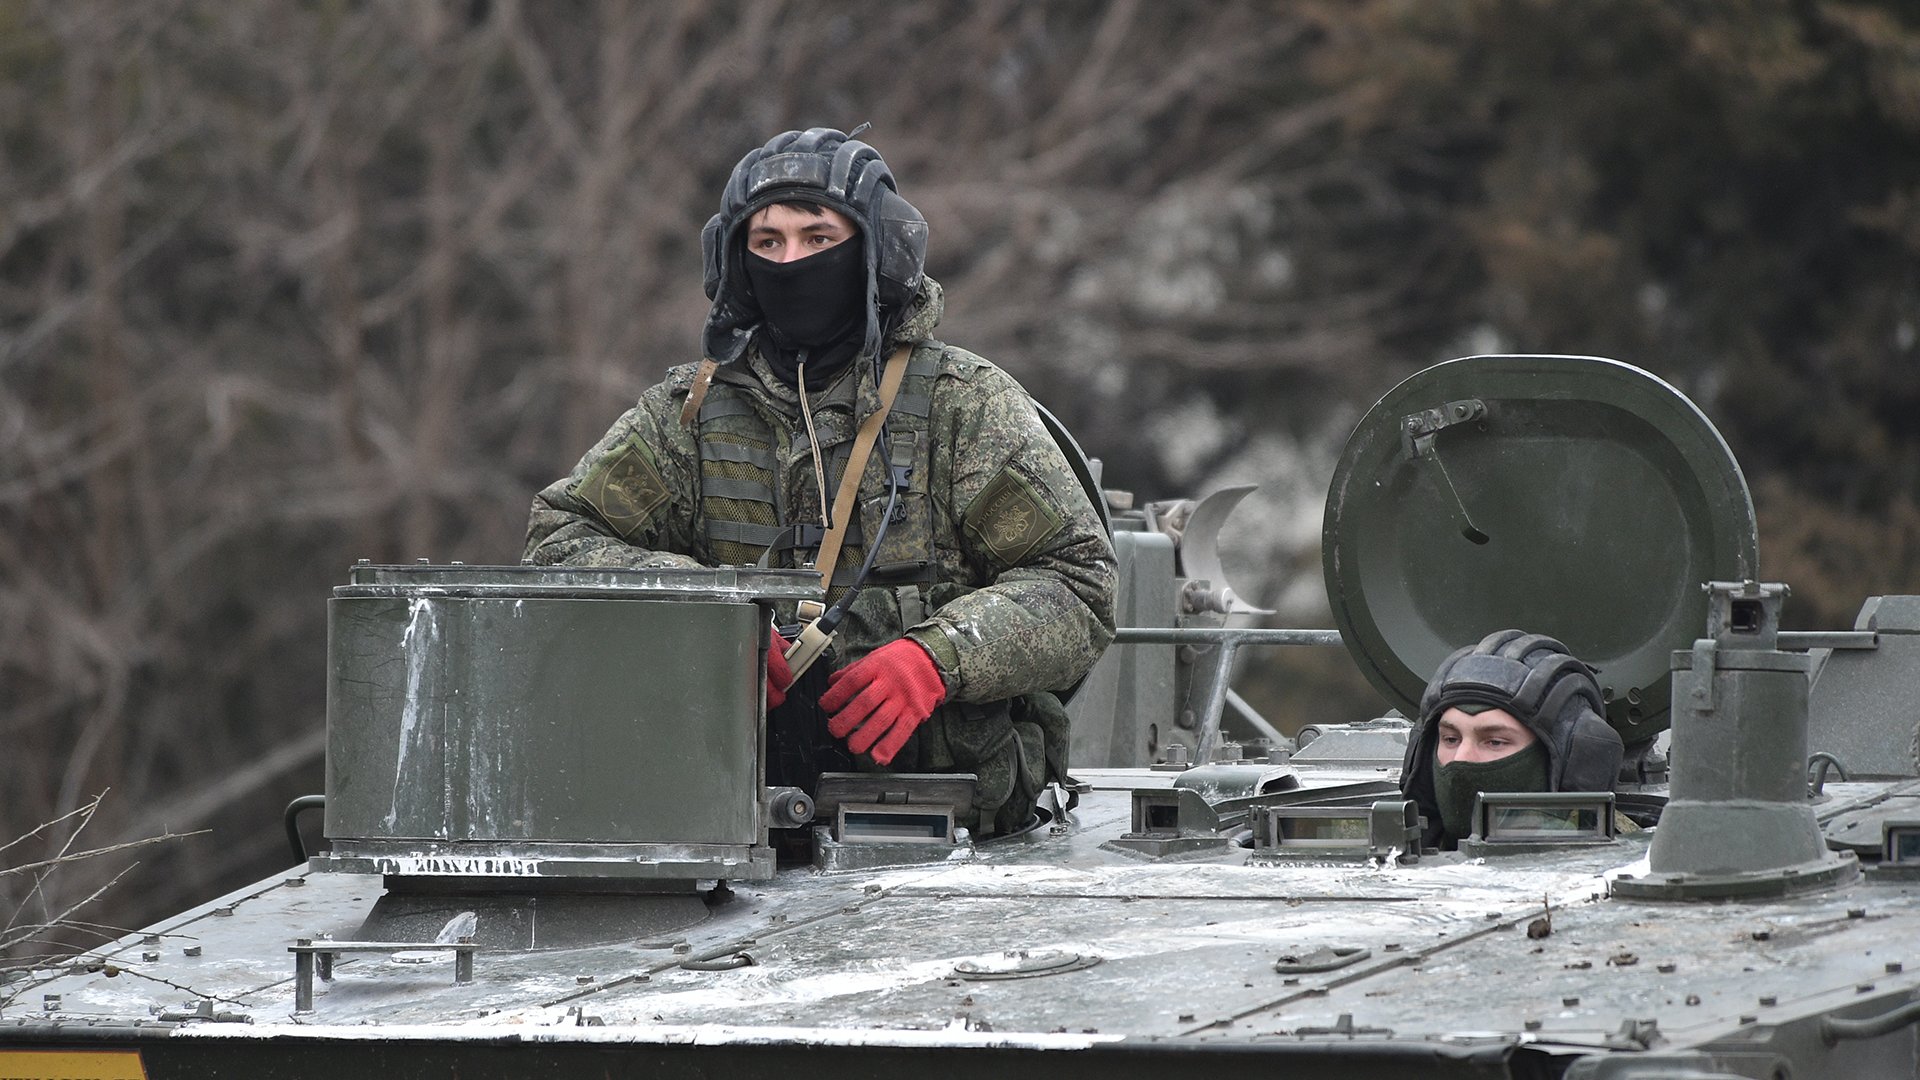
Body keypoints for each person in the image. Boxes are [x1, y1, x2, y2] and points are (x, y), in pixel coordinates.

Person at [524, 127, 1117, 837]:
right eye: (767, 242)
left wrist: (939, 657)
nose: (791, 260)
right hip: (724, 828)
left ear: (875, 250)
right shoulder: (691, 415)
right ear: (736, 261)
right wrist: (710, 620)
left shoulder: (963, 403)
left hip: (951, 838)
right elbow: (560, 541)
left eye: (817, 237)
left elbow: (1078, 584)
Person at [1399, 630, 1624, 849]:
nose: (1461, 759)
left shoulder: (1634, 865)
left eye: (1495, 742)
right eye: (1450, 739)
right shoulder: (1391, 861)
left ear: (1570, 762)